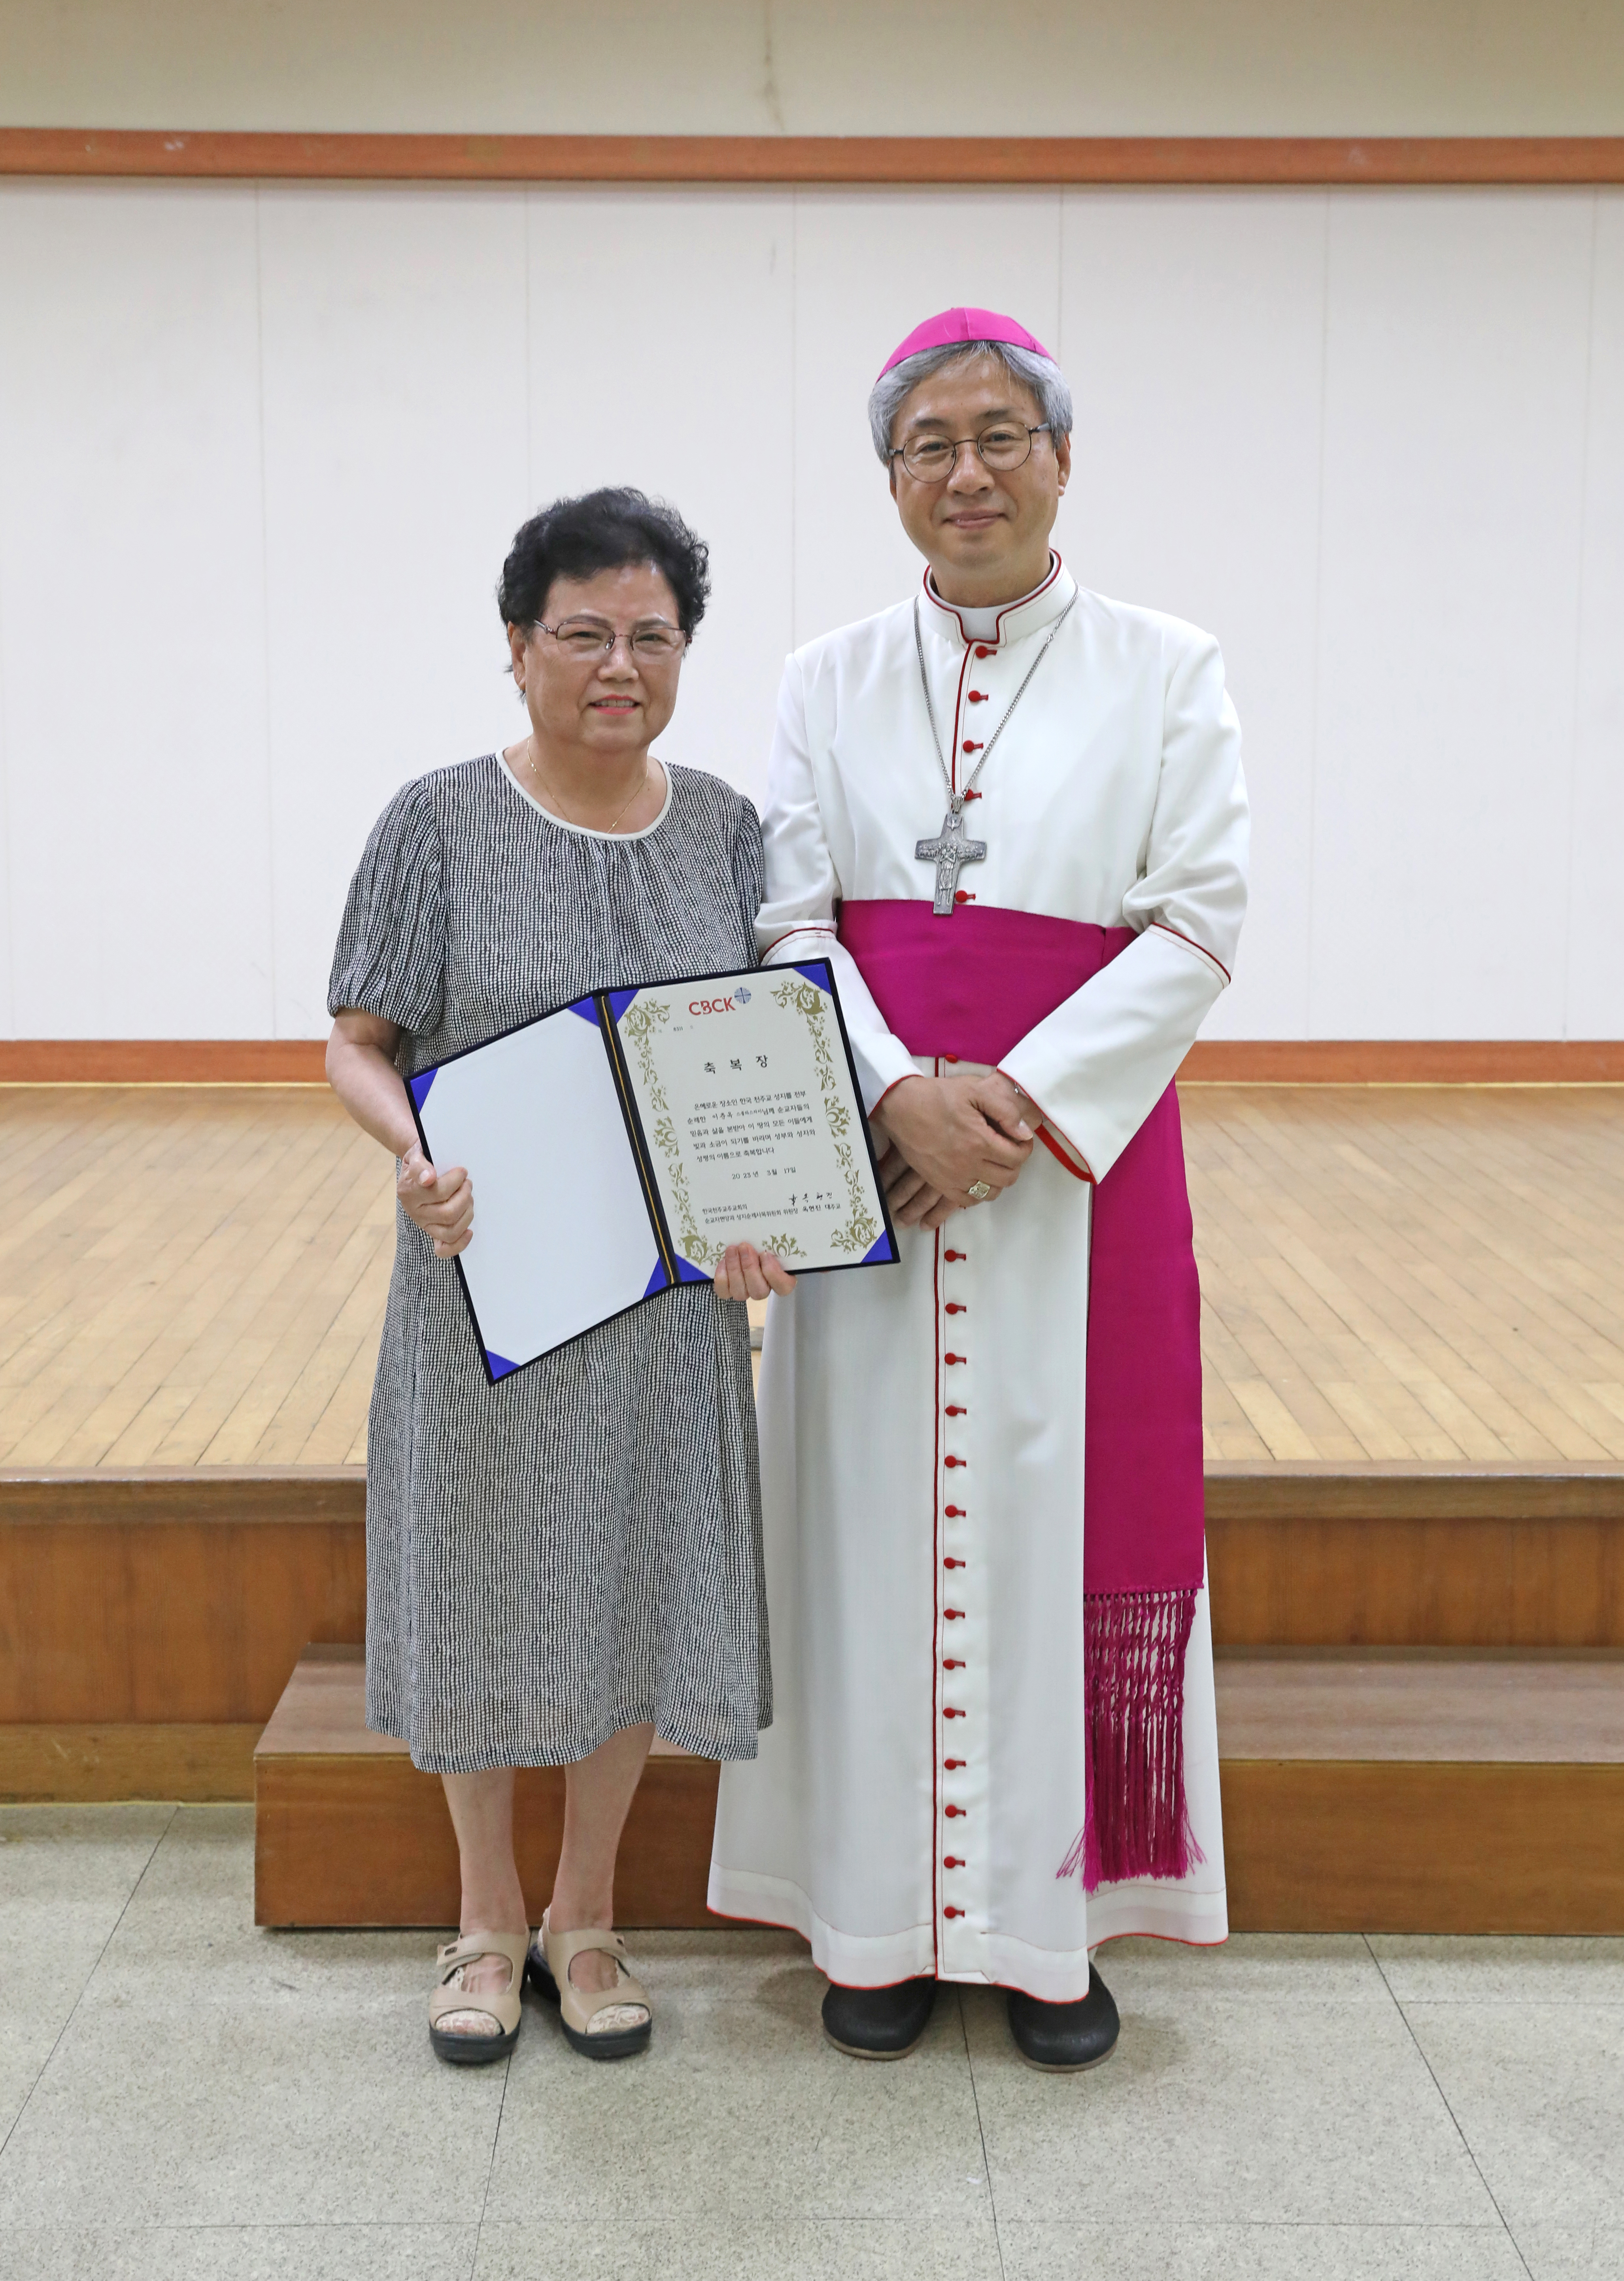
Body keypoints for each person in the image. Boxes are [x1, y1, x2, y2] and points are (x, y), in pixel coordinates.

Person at [708, 308, 1249, 2070]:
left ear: (1060, 457)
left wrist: (1010, 1102)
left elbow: (1200, 916)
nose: (966, 473)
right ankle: (868, 1920)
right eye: (929, 444)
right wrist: (895, 1094)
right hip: (877, 1173)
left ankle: (1047, 1935)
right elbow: (791, 920)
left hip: (1068, 1179)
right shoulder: (823, 676)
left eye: (998, 436)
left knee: (1053, 1528)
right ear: (890, 480)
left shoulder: (1170, 666)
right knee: (863, 1535)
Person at [327, 487, 791, 2067]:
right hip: (485, 1290)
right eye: (583, 633)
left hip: (664, 1302)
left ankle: (585, 1921)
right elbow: (359, 1039)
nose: (618, 664)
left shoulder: (727, 829)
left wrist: (760, 1209)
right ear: (517, 648)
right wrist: (409, 1154)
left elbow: (755, 1060)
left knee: (637, 1581)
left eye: (650, 637)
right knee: (478, 1588)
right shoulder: (437, 821)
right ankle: (480, 1919)